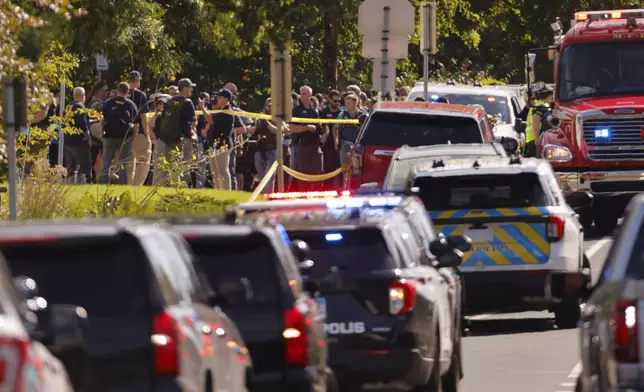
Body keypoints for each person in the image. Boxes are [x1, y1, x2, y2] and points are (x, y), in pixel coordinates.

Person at [157, 78, 197, 186]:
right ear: (184, 88)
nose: (191, 90)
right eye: (190, 88)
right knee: (183, 165)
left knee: (169, 164)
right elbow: (194, 122)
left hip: (169, 138)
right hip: (182, 138)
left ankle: (166, 187)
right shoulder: (187, 103)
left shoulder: (169, 101)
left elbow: (163, 117)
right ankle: (180, 188)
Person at [98, 82, 138, 184]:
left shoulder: (108, 103)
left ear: (117, 90)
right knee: (123, 162)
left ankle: (103, 182)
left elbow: (101, 120)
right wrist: (133, 136)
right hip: (125, 137)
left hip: (109, 136)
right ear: (128, 92)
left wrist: (101, 133)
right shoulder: (130, 104)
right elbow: (136, 124)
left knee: (106, 161)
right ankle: (122, 183)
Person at [200, 88, 235, 190]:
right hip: (214, 144)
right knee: (215, 171)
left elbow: (210, 120)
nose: (218, 99)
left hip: (223, 144)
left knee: (223, 170)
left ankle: (226, 192)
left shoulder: (227, 111)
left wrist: (202, 107)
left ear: (226, 98)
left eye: (220, 97)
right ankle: (217, 190)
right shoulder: (220, 110)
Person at [289, 86, 323, 191]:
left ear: (310, 95)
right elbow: (291, 128)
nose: (301, 96)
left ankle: (317, 197)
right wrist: (306, 127)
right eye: (301, 93)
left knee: (318, 172)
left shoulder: (316, 111)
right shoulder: (296, 111)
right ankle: (304, 197)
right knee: (303, 174)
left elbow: (322, 128)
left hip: (316, 145)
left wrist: (323, 135)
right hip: (302, 146)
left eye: (304, 93)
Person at [126, 71, 152, 185]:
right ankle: (137, 184)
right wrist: (147, 133)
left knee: (130, 160)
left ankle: (128, 182)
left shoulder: (122, 93)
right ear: (137, 81)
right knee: (145, 158)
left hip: (125, 133)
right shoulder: (140, 95)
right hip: (139, 132)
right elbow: (143, 115)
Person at [64, 87, 92, 184]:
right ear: (83, 96)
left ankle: (71, 184)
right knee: (85, 165)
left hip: (68, 140)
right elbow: (83, 126)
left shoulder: (68, 106)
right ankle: (85, 184)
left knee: (71, 165)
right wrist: (89, 138)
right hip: (79, 141)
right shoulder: (80, 107)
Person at [252, 98, 279, 193]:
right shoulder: (261, 117)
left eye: (272, 106)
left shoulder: (278, 117)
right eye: (268, 105)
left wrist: (267, 124)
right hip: (260, 150)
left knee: (269, 177)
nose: (270, 107)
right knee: (262, 177)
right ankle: (263, 200)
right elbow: (253, 131)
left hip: (272, 149)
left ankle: (268, 201)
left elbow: (279, 131)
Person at [334, 93, 367, 168]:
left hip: (358, 147)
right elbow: (335, 127)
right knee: (345, 169)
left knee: (357, 169)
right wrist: (336, 139)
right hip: (345, 146)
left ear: (355, 103)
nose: (346, 105)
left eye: (349, 103)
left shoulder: (363, 115)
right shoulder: (341, 115)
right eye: (345, 103)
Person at [87, 81, 109, 182]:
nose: (107, 93)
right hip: (95, 139)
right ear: (98, 91)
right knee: (95, 162)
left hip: (94, 140)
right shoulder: (96, 104)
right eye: (105, 90)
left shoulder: (94, 103)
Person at [321, 89, 342, 189]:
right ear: (329, 100)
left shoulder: (341, 113)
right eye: (335, 101)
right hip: (327, 147)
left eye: (339, 101)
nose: (337, 103)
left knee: (339, 172)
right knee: (327, 172)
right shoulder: (323, 112)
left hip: (338, 147)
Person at [525, 87, 554, 158]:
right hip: (536, 141)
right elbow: (536, 117)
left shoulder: (537, 105)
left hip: (532, 139)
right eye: (552, 97)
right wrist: (537, 138)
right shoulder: (543, 106)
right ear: (549, 96)